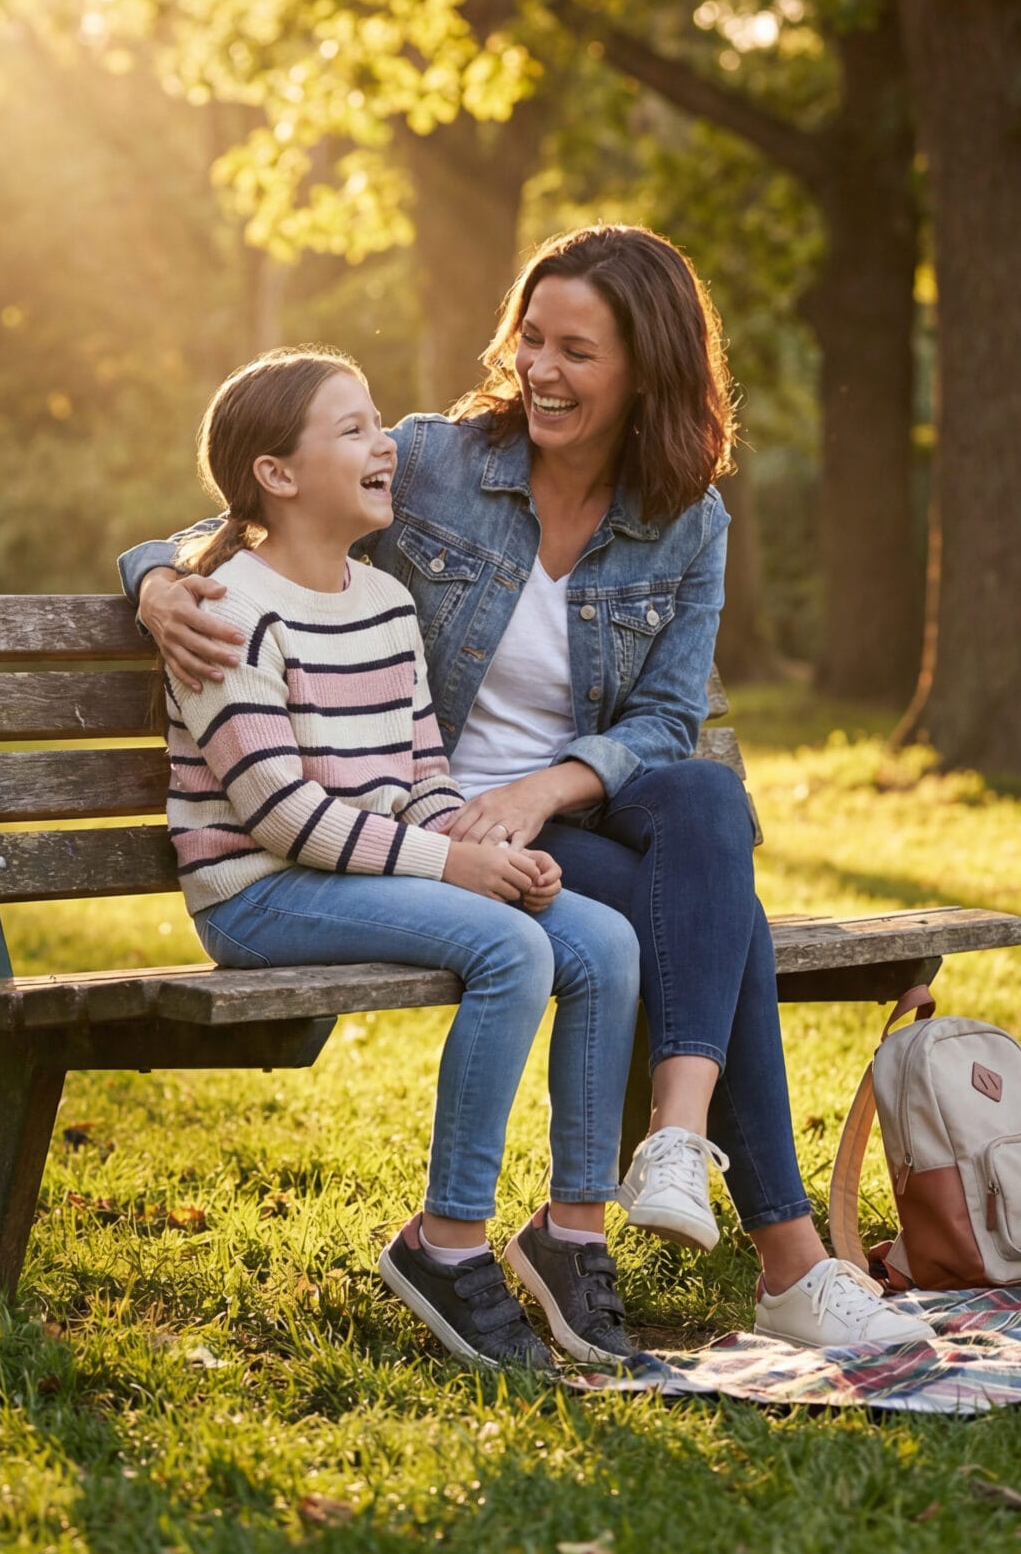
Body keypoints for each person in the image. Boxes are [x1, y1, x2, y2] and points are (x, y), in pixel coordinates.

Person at [125, 224, 934, 1354]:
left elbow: (664, 718)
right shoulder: (434, 462)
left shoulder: (686, 513)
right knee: (717, 917)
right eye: (531, 339)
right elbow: (246, 507)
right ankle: (782, 1256)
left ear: (645, 368)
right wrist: (158, 581)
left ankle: (674, 1144)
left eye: (577, 351)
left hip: (568, 811)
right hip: (431, 824)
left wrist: (548, 789)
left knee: (703, 800)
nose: (541, 369)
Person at [158, 341, 646, 1374]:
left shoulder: (383, 603)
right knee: (512, 950)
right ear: (276, 475)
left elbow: (423, 762)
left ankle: (571, 1234)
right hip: (263, 892)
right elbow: (281, 815)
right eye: (352, 429)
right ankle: (449, 1241)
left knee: (599, 938)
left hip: (373, 865)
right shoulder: (223, 613)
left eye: (378, 422)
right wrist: (446, 867)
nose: (387, 443)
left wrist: (484, 839)